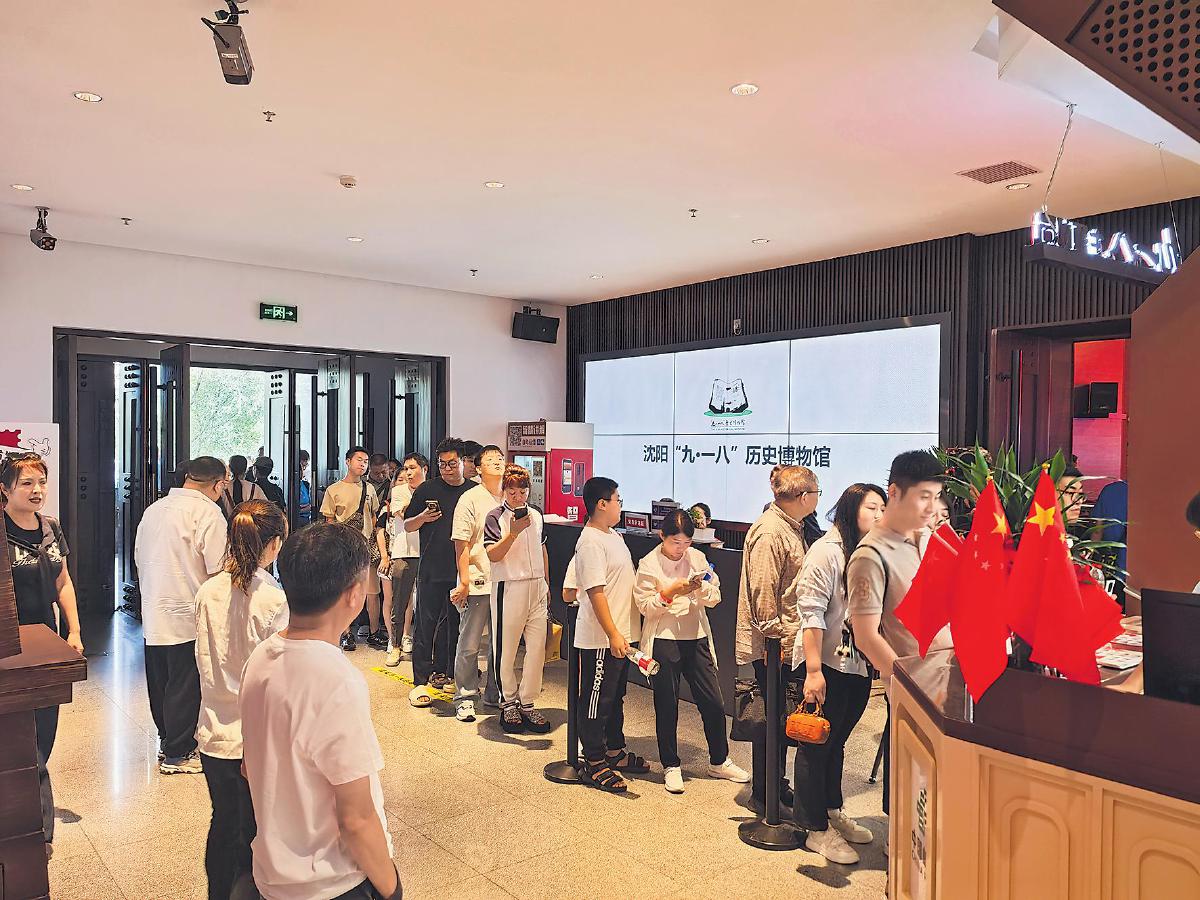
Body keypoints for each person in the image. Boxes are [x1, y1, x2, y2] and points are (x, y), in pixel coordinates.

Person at [240, 523, 400, 900]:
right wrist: (391, 888)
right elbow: (356, 818)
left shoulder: (260, 657)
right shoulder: (336, 680)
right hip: (333, 882)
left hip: (273, 877)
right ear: (354, 595)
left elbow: (249, 767)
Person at [194, 500, 289, 900]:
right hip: (256, 740)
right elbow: (278, 678)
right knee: (254, 834)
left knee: (223, 822)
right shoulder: (273, 599)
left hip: (214, 732)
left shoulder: (207, 590)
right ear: (274, 545)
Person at [848, 449, 949, 824]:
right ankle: (899, 843)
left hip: (948, 679)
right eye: (923, 496)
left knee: (937, 781)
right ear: (894, 493)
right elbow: (865, 636)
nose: (931, 507)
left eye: (936, 497)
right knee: (912, 778)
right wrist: (906, 687)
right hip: (914, 686)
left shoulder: (926, 539)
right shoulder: (870, 556)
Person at [791, 483, 886, 863]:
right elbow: (811, 613)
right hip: (826, 663)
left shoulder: (867, 552)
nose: (880, 515)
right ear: (850, 509)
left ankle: (831, 810)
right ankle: (813, 828)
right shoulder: (826, 551)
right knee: (816, 745)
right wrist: (813, 670)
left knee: (837, 741)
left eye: (883, 509)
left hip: (857, 664)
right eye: (872, 508)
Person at [633, 509, 749, 793]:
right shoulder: (649, 563)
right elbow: (644, 607)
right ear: (662, 536)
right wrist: (670, 592)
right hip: (664, 638)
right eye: (676, 542)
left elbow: (715, 596)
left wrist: (698, 588)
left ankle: (719, 760)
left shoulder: (696, 558)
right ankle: (671, 765)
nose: (681, 549)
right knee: (667, 704)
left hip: (696, 636)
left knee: (713, 701)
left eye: (686, 542)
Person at [2, 452, 82, 857]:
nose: (37, 490)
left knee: (43, 732)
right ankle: (36, 830)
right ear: (5, 490)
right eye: (26, 483)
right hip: (9, 648)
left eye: (41, 482)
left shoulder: (51, 527)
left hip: (46, 645)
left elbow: (63, 581)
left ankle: (30, 821)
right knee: (23, 742)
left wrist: (75, 630)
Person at [135, 455, 230, 776]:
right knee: (185, 684)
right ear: (217, 485)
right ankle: (178, 753)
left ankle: (168, 741)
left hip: (154, 609)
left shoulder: (154, 510)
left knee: (160, 682)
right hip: (189, 611)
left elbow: (138, 556)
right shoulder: (208, 513)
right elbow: (217, 569)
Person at [736, 465, 821, 816]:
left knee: (779, 718)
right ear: (803, 497)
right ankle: (764, 793)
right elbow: (763, 592)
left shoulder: (792, 526)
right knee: (771, 720)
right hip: (776, 645)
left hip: (786, 641)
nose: (818, 499)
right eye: (816, 492)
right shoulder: (771, 531)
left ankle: (774, 785)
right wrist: (776, 640)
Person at [574, 476, 647, 792]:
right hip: (601, 638)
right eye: (617, 500)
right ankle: (593, 762)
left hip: (621, 634)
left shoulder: (613, 535)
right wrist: (613, 633)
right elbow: (596, 592)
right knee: (596, 699)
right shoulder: (590, 541)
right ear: (602, 504)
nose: (620, 505)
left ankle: (613, 750)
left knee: (615, 696)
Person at [483, 464, 552, 734]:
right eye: (512, 492)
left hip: (537, 587)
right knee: (506, 647)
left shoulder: (536, 515)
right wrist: (512, 533)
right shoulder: (495, 517)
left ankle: (528, 701)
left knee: (537, 649)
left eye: (522, 491)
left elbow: (542, 549)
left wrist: (546, 582)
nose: (517, 496)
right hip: (509, 585)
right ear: (504, 491)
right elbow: (493, 555)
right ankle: (508, 702)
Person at [405, 438, 474, 706]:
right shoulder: (427, 489)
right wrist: (422, 517)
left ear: (463, 462)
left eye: (452, 464)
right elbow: (408, 525)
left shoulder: (472, 492)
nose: (446, 469)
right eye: (442, 464)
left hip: (462, 572)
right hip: (431, 569)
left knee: (459, 628)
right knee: (425, 626)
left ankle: (452, 676)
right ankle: (419, 682)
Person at [449, 444, 505, 722]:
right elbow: (461, 543)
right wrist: (464, 581)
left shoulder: (510, 495)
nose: (497, 462)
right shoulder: (470, 498)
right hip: (478, 579)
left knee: (501, 643)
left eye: (500, 458)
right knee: (470, 642)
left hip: (505, 580)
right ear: (479, 467)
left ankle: (495, 692)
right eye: (491, 459)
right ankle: (465, 695)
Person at [320, 447, 380, 652]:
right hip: (344, 547)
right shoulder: (334, 490)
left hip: (367, 546)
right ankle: (346, 633)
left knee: (372, 592)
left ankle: (374, 632)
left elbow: (374, 517)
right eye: (359, 460)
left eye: (366, 461)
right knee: (345, 591)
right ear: (347, 461)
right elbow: (329, 521)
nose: (363, 464)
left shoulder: (369, 489)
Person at [381, 452, 426, 667]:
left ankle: (423, 646)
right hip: (403, 551)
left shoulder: (432, 488)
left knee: (427, 603)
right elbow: (405, 514)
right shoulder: (398, 491)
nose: (408, 473)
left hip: (427, 551)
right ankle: (395, 644)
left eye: (412, 468)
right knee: (399, 602)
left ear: (424, 469)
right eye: (406, 468)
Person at [221, 455, 265, 519]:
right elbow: (266, 509)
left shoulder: (222, 487)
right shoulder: (255, 488)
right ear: (246, 469)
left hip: (227, 524)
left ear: (229, 468)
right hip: (249, 523)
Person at [297, 450, 313, 526]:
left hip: (306, 520)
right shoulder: (290, 485)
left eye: (304, 467)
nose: (302, 470)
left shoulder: (305, 484)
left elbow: (310, 504)